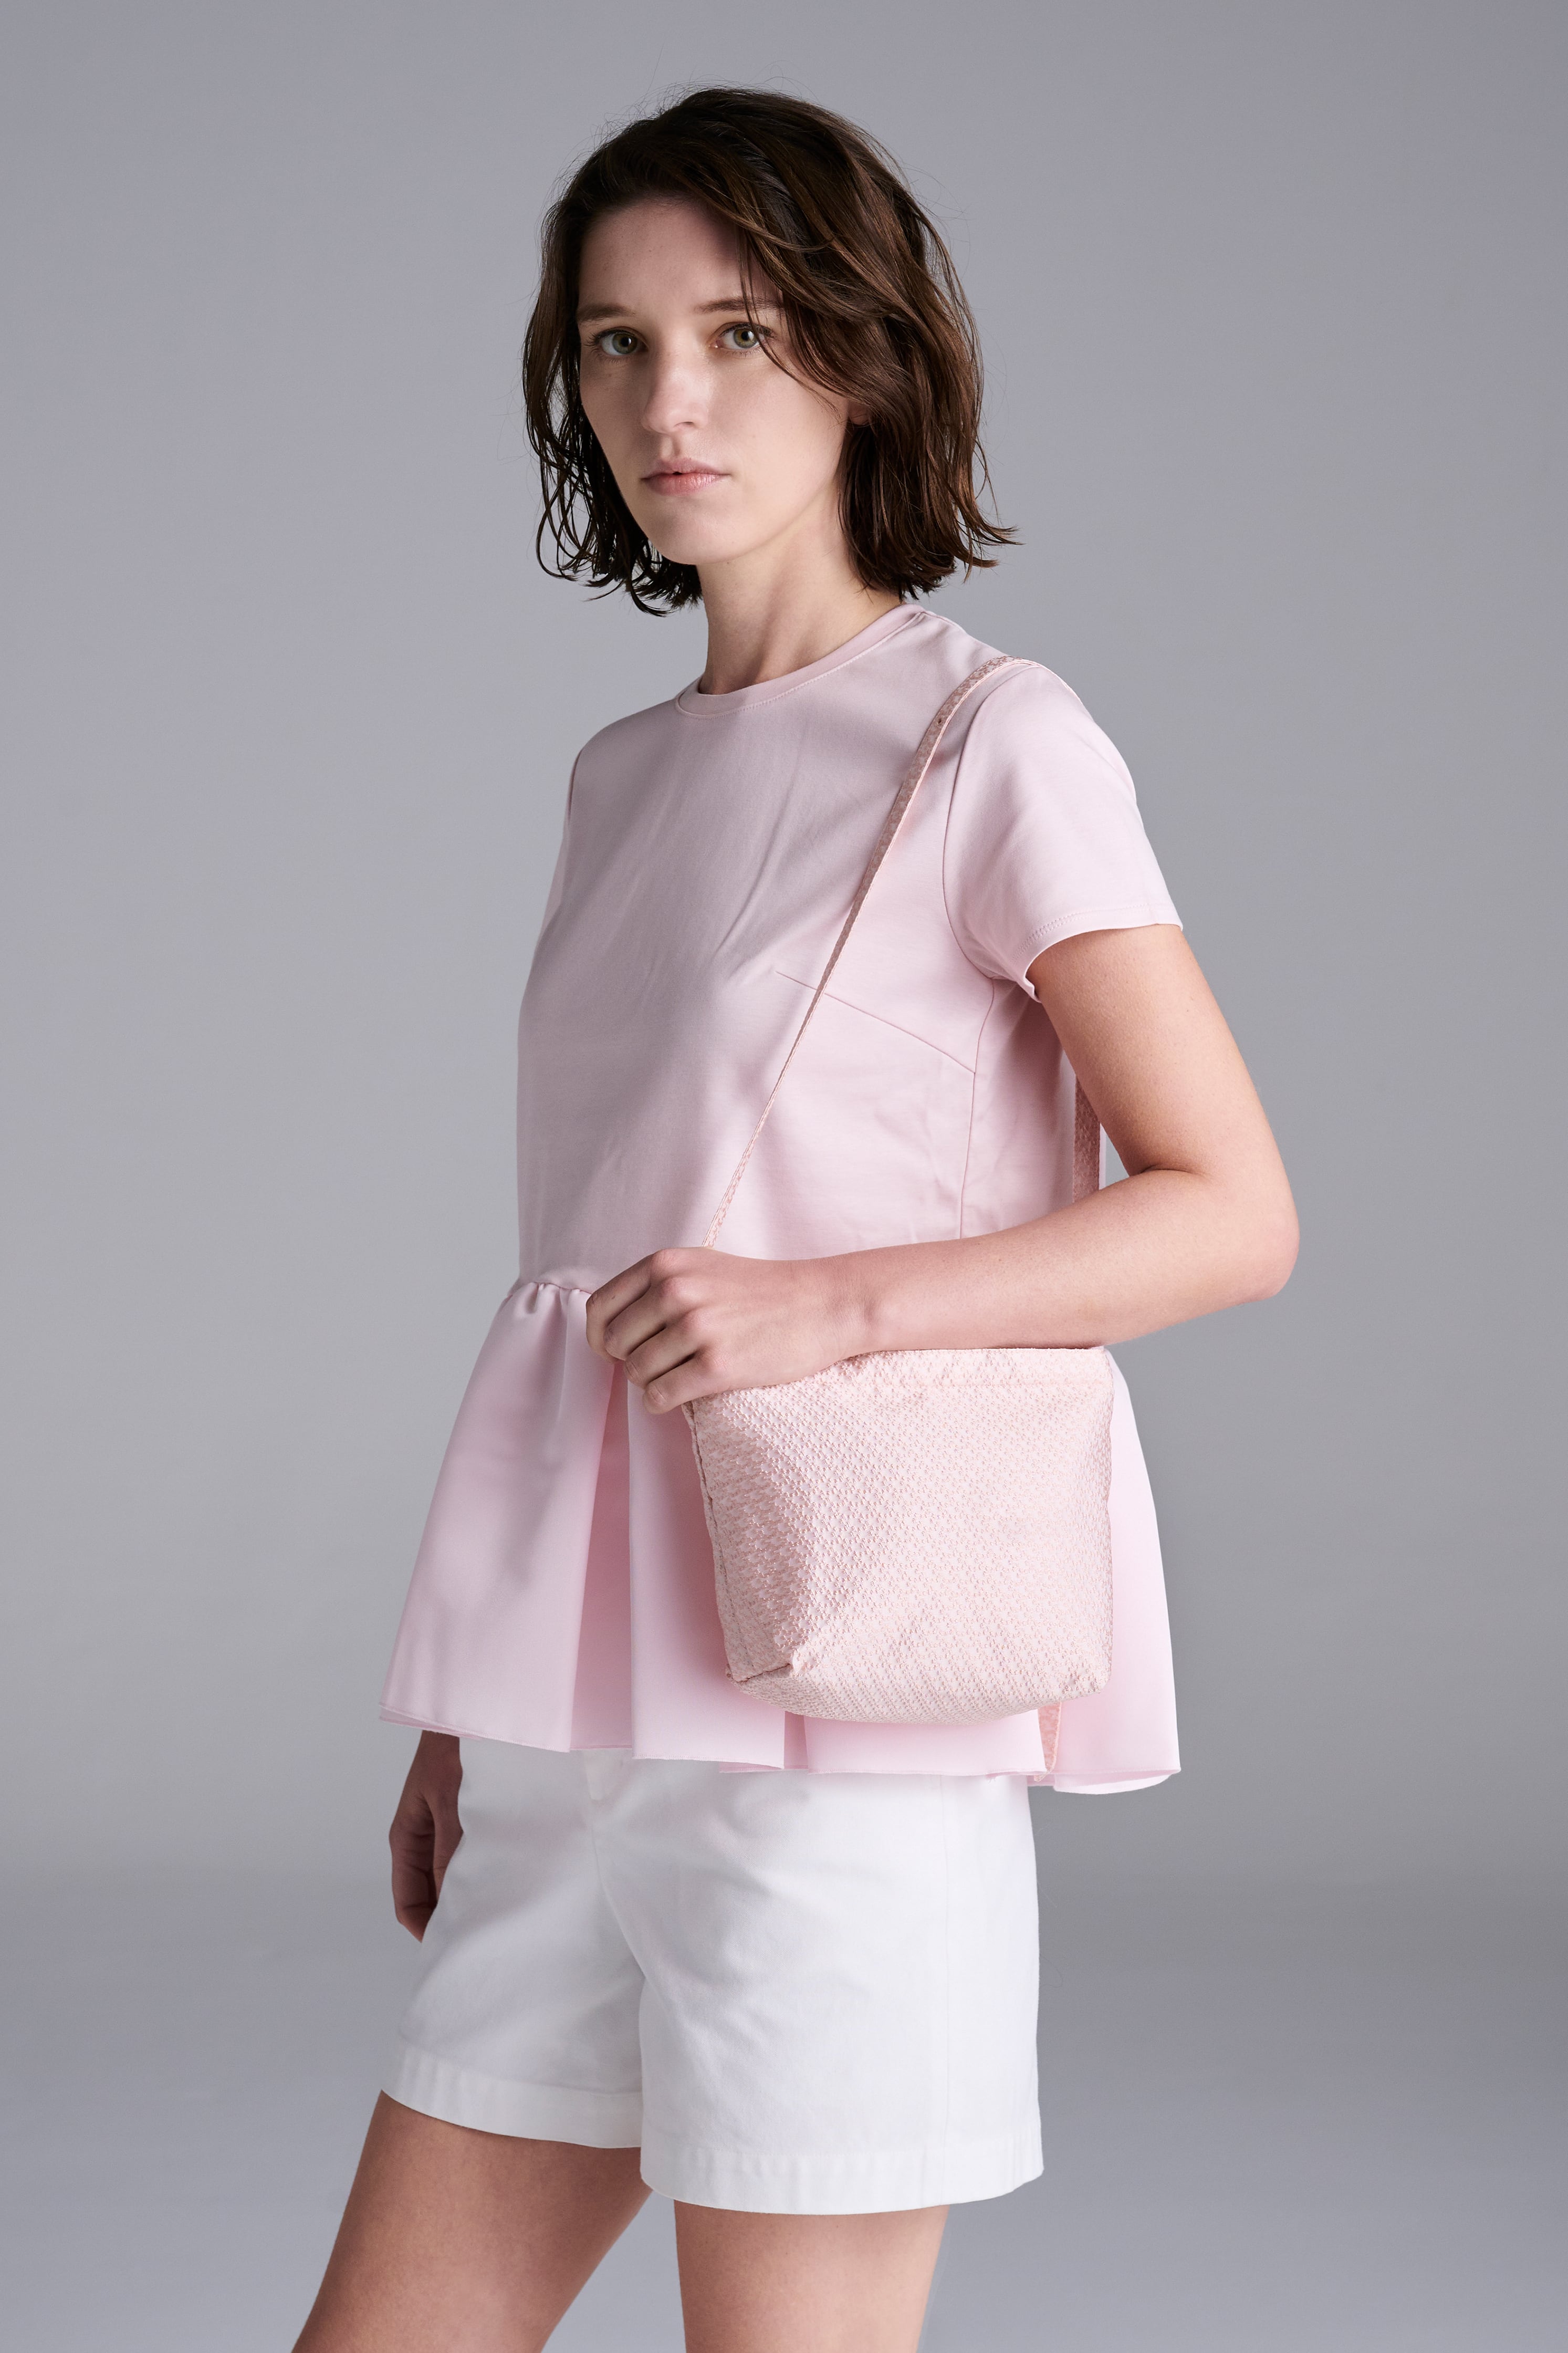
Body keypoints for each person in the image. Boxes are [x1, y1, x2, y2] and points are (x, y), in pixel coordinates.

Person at [292, 87, 1297, 2353]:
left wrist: (828, 1307)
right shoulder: (620, 779)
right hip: (571, 1737)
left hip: (839, 1751)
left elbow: (1232, 1211)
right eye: (618, 342)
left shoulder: (994, 744)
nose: (673, 400)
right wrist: (472, 1707)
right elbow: (597, 1254)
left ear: (859, 357)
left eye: (739, 332)